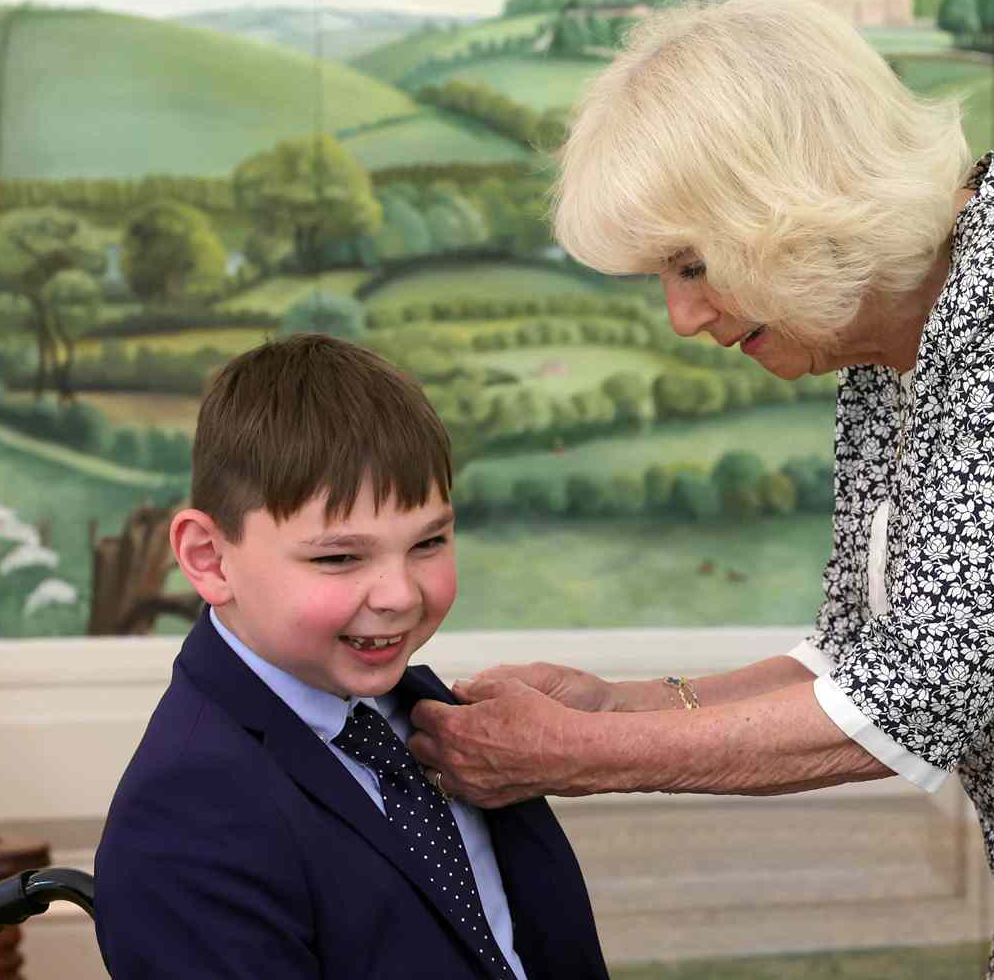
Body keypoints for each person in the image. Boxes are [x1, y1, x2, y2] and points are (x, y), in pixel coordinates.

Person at [407, 0, 994, 978]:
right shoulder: (894, 330)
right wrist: (615, 705)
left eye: (693, 264)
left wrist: (571, 756)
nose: (681, 316)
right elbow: (858, 659)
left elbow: (912, 704)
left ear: (787, 200)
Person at [94, 334, 609, 980]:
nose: (399, 596)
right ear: (208, 557)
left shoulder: (439, 719)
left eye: (429, 542)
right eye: (339, 557)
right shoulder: (184, 818)